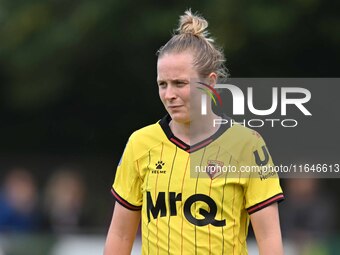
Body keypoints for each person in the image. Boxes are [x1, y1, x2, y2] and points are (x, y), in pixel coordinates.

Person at [104, 10, 284, 255]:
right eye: (162, 84)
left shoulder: (247, 145)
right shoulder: (140, 143)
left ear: (209, 83)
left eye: (180, 83)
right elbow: (121, 234)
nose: (169, 95)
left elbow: (269, 237)